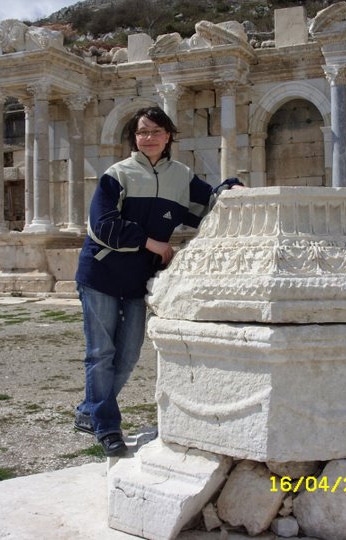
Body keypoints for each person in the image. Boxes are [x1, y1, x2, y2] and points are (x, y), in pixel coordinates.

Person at [74, 106, 243, 457]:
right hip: (101, 274)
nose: (148, 138)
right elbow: (102, 226)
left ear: (168, 137)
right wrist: (152, 243)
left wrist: (231, 188)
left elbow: (210, 204)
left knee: (128, 355)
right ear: (133, 138)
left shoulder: (180, 176)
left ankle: (90, 410)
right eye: (142, 132)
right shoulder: (116, 175)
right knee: (101, 353)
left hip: (139, 278)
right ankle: (107, 427)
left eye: (155, 131)